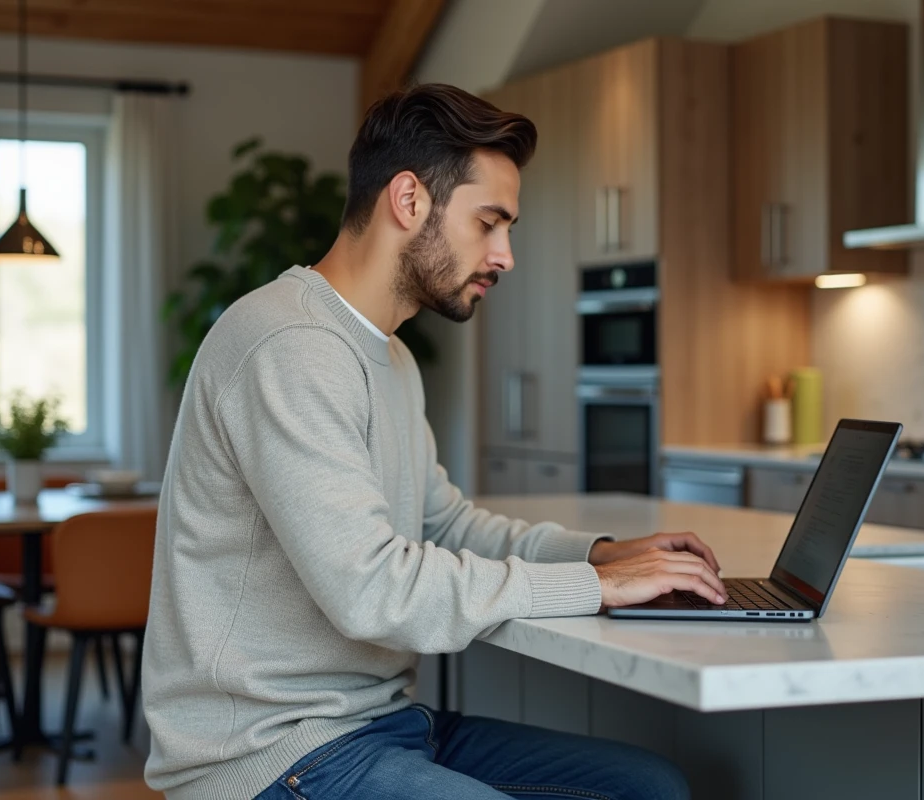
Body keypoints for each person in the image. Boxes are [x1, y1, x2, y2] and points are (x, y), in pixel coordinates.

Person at [142, 83, 728, 800]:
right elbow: (371, 590)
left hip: (380, 724)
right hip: (271, 752)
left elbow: (444, 525)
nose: (506, 255)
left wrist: (599, 555)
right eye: (489, 223)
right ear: (410, 199)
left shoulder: (389, 356)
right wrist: (596, 588)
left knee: (650, 787)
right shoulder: (289, 344)